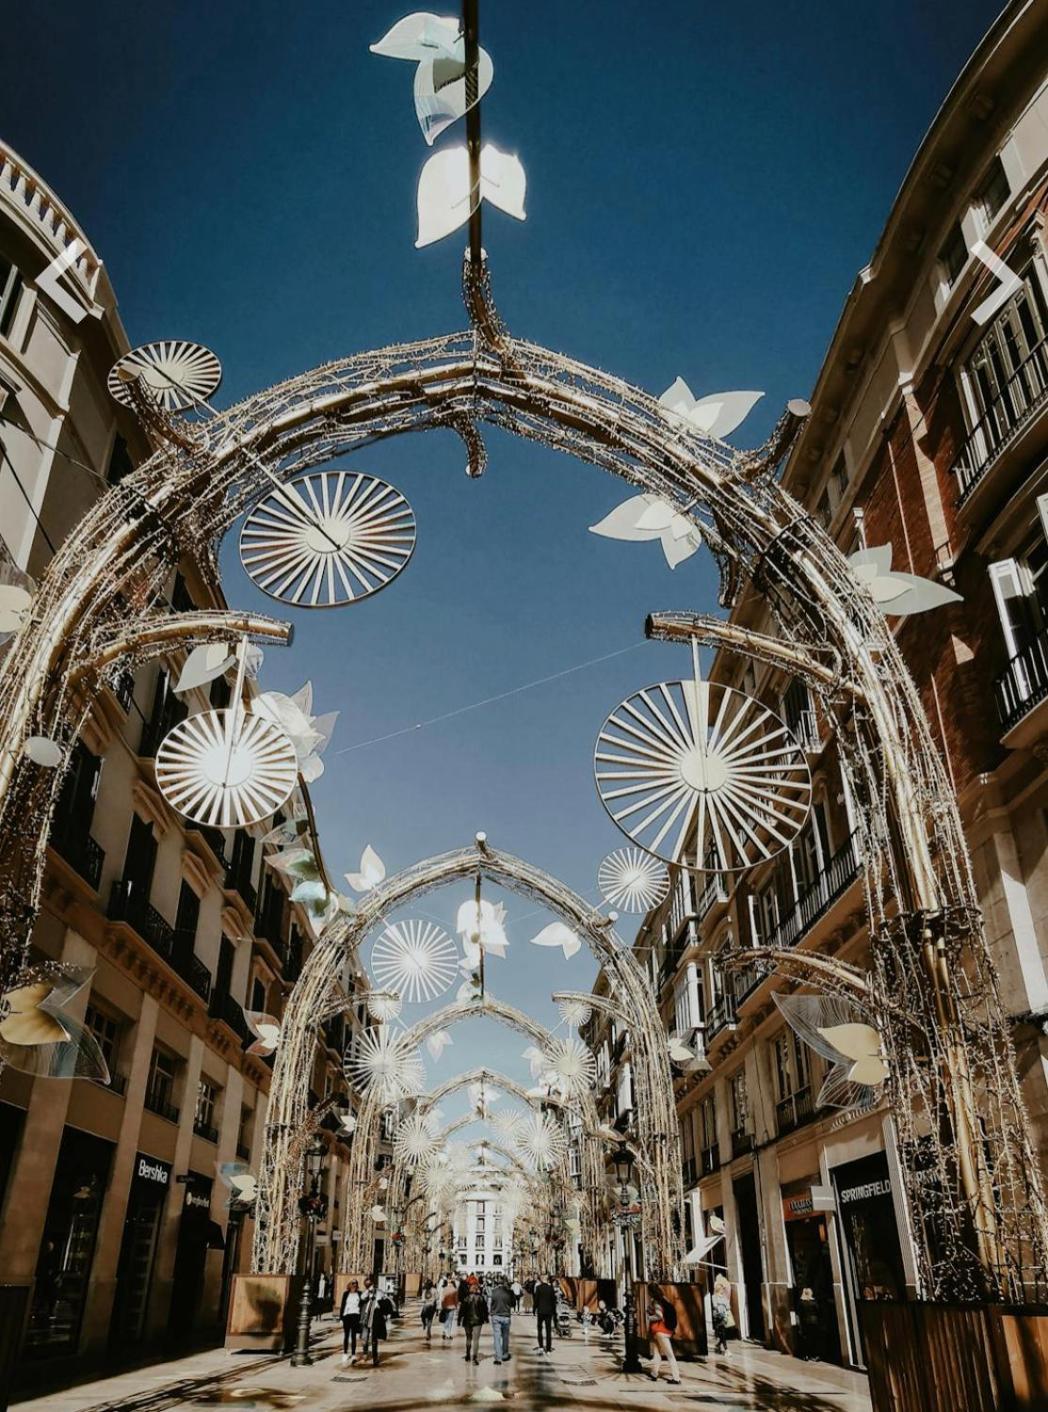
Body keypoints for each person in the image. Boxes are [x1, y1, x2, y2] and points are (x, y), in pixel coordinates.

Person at [646, 1286, 681, 1385]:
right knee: (657, 1354)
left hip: (661, 1331)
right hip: (662, 1331)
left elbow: (659, 1315)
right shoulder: (665, 1299)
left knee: (670, 1355)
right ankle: (654, 1373)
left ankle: (676, 1377)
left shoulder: (657, 1302)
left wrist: (649, 1317)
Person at [365, 1286, 396, 1367]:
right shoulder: (368, 1295)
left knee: (373, 1338)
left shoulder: (379, 1295)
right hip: (369, 1317)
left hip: (375, 1317)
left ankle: (374, 1358)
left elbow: (389, 1303)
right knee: (369, 1337)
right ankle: (368, 1353)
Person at [460, 1284, 489, 1365]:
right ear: (477, 1290)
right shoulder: (481, 1298)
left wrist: (459, 1320)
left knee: (468, 1338)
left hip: (467, 1321)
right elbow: (485, 1310)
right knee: (476, 1340)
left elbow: (462, 1310)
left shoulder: (466, 1298)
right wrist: (486, 1319)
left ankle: (468, 1355)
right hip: (478, 1321)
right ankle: (474, 1358)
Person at [489, 1276, 513, 1365]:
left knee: (497, 1337)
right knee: (505, 1336)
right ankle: (505, 1354)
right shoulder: (509, 1292)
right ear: (504, 1283)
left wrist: (492, 1311)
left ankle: (498, 1357)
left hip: (496, 1316)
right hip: (506, 1316)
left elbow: (491, 1303)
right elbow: (513, 1303)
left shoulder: (493, 1292)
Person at [532, 1273, 557, 1355]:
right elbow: (553, 1301)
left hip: (541, 1311)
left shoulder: (538, 1288)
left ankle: (541, 1347)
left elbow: (536, 1300)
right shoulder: (551, 1288)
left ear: (542, 1280)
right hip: (549, 1312)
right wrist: (554, 1312)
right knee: (548, 1330)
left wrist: (534, 1309)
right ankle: (549, 1349)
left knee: (540, 1329)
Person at [340, 1280, 362, 1365]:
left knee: (353, 1336)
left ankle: (353, 1354)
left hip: (355, 1316)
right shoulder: (346, 1294)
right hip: (347, 1316)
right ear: (349, 1285)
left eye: (356, 1284)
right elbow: (342, 1305)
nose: (354, 1285)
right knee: (346, 1335)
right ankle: (345, 1353)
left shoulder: (359, 1294)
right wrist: (341, 1318)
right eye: (353, 1284)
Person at [712, 1273, 734, 1355]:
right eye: (722, 1288)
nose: (723, 1290)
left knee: (723, 1333)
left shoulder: (724, 1298)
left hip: (724, 1316)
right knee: (723, 1332)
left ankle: (718, 1345)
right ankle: (726, 1350)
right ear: (719, 1289)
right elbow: (715, 1306)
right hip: (718, 1317)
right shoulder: (714, 1297)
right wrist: (723, 1305)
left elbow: (728, 1307)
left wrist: (724, 1305)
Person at [440, 1277, 459, 1342]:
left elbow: (442, 1299)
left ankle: (444, 1331)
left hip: (445, 1306)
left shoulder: (444, 1289)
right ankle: (448, 1334)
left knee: (446, 1319)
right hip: (452, 1307)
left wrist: (442, 1306)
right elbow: (456, 1300)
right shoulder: (454, 1290)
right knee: (450, 1321)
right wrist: (456, 1306)